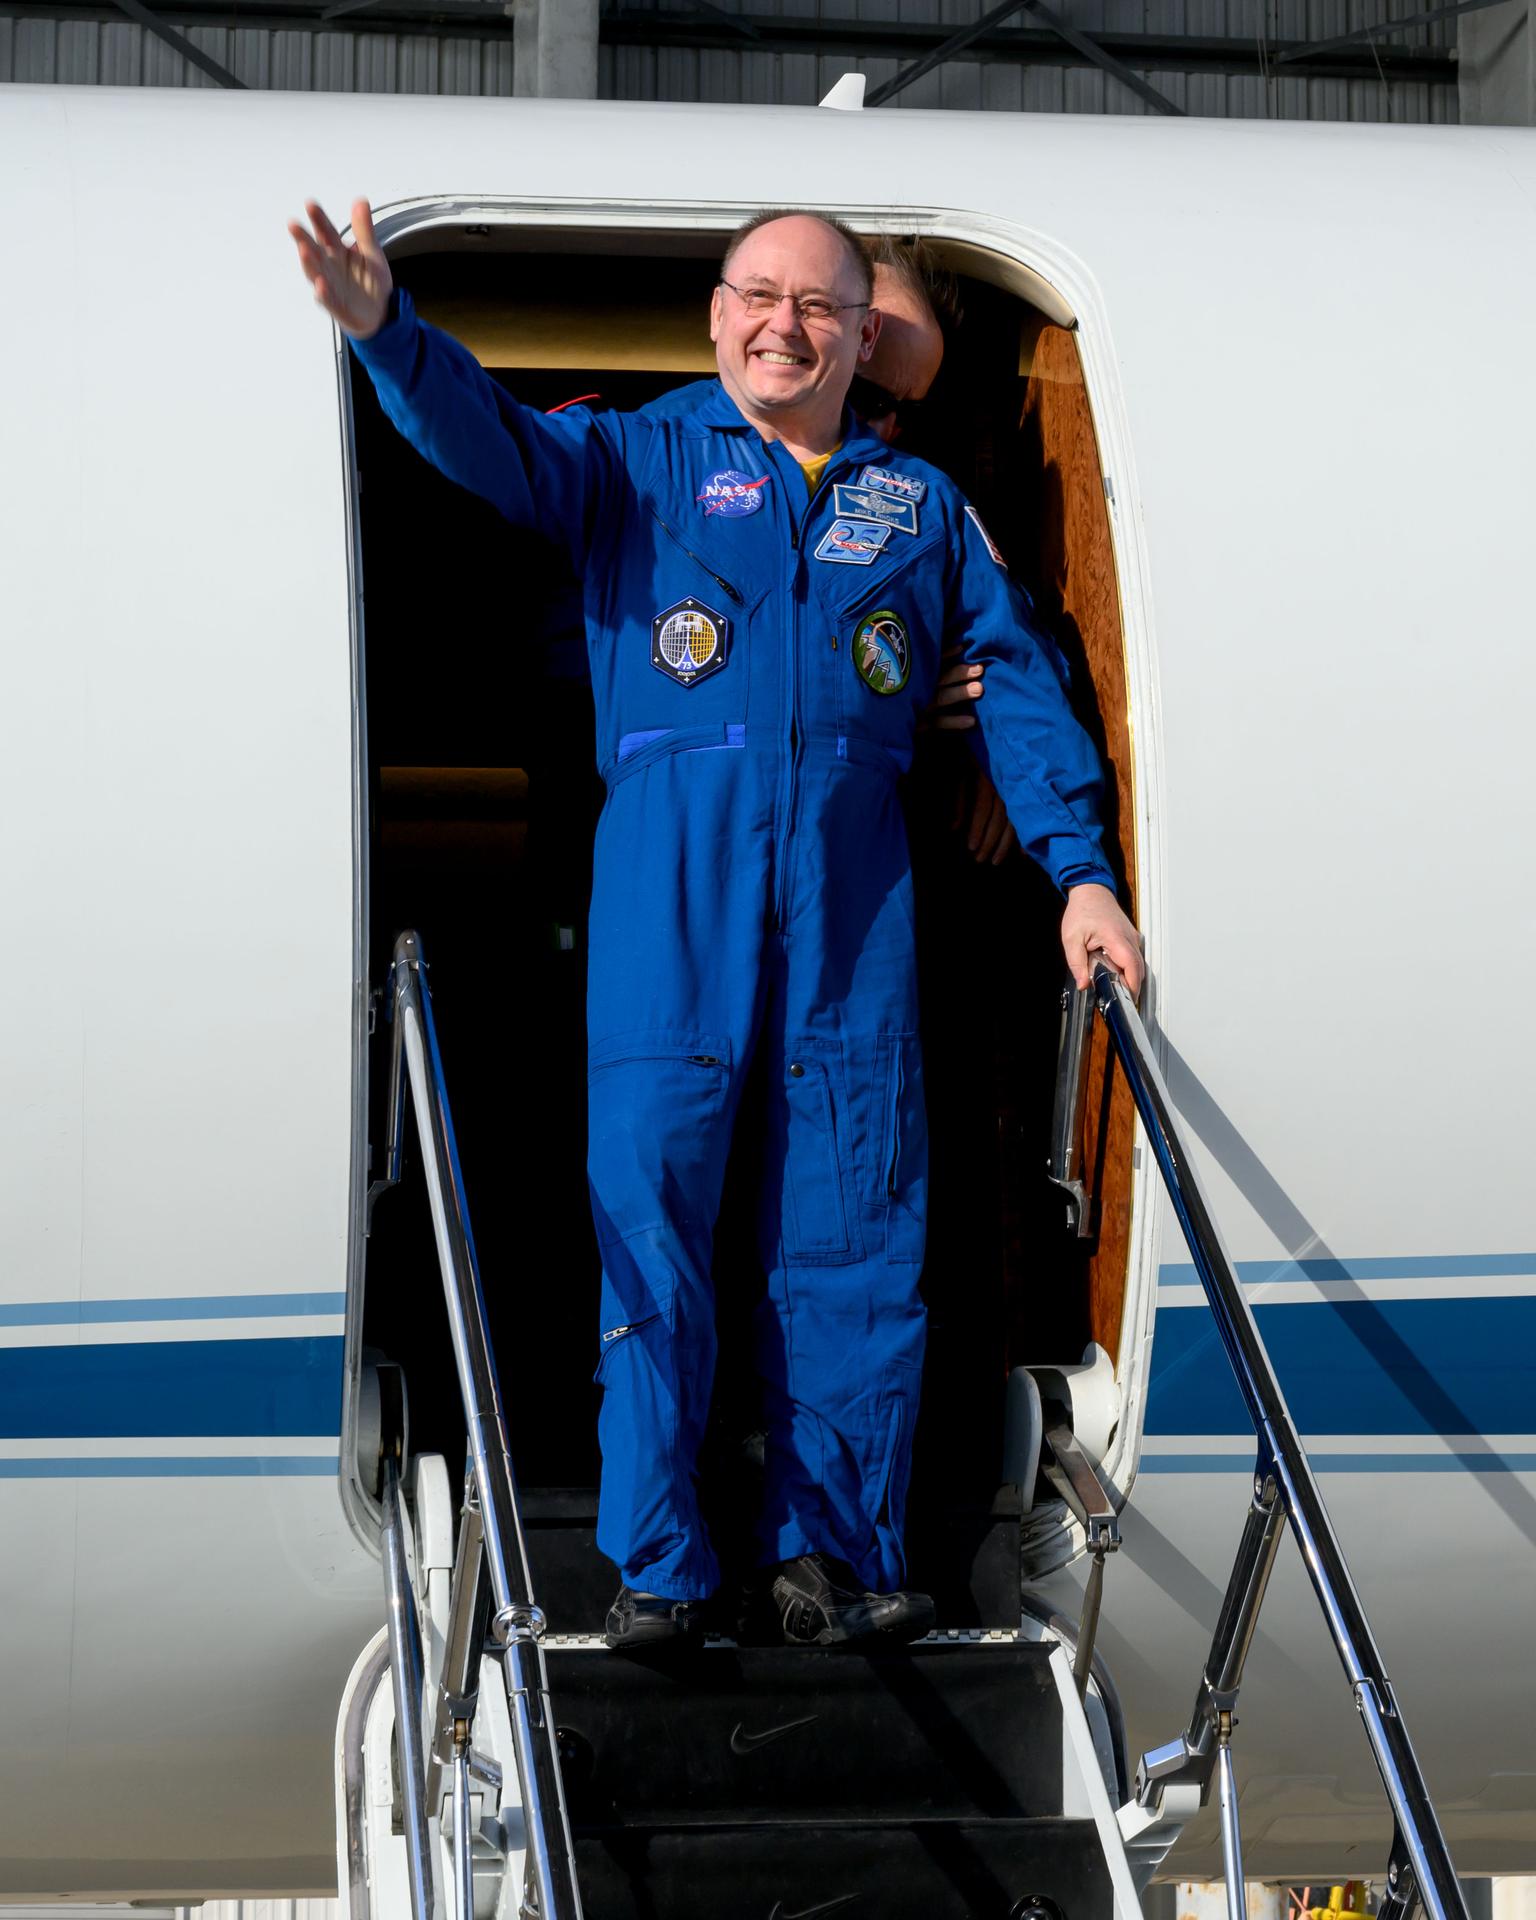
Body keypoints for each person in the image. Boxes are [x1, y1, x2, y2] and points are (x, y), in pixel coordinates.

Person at [290, 199, 1143, 1652]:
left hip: (850, 908)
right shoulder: (639, 462)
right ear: (715, 314)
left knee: (853, 1233)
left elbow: (1013, 681)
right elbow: (491, 443)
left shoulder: (920, 512)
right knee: (651, 1222)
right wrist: (387, 332)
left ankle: (835, 1558)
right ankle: (663, 1570)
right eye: (760, 296)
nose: (784, 326)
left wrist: (1079, 870)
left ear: (860, 334)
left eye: (818, 306)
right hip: (667, 905)